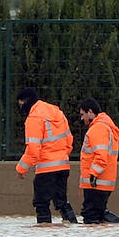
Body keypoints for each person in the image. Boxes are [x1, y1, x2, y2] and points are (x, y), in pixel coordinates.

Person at [14, 87, 78, 224]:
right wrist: (61, 157)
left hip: (46, 170)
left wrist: (21, 169)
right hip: (63, 167)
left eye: (21, 105)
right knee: (61, 201)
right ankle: (73, 227)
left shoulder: (34, 118)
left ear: (26, 102)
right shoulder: (57, 112)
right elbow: (69, 140)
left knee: (41, 203)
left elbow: (33, 149)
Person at [77, 97, 119, 224]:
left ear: (90, 112)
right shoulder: (105, 127)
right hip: (101, 182)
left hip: (96, 183)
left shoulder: (98, 128)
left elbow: (101, 156)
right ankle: (117, 229)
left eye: (83, 114)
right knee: (99, 213)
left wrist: (93, 174)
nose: (82, 119)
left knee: (91, 216)